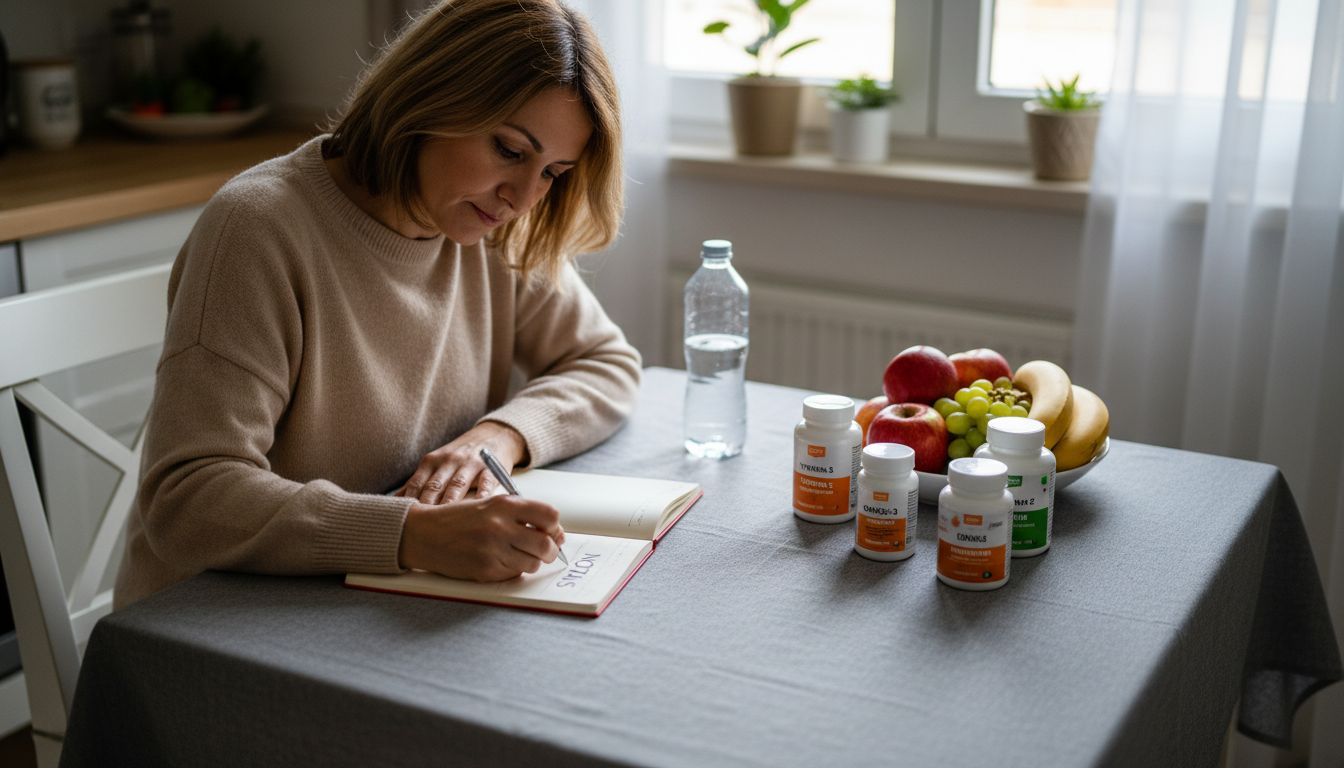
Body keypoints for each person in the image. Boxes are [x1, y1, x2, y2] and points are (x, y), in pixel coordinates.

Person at [114, 0, 641, 609]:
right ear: (432, 97)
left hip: (371, 599)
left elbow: (606, 361)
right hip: (214, 623)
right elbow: (188, 501)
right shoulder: (259, 228)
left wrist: (501, 436)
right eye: (509, 149)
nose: (523, 196)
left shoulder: (492, 226)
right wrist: (410, 535)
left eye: (553, 171)